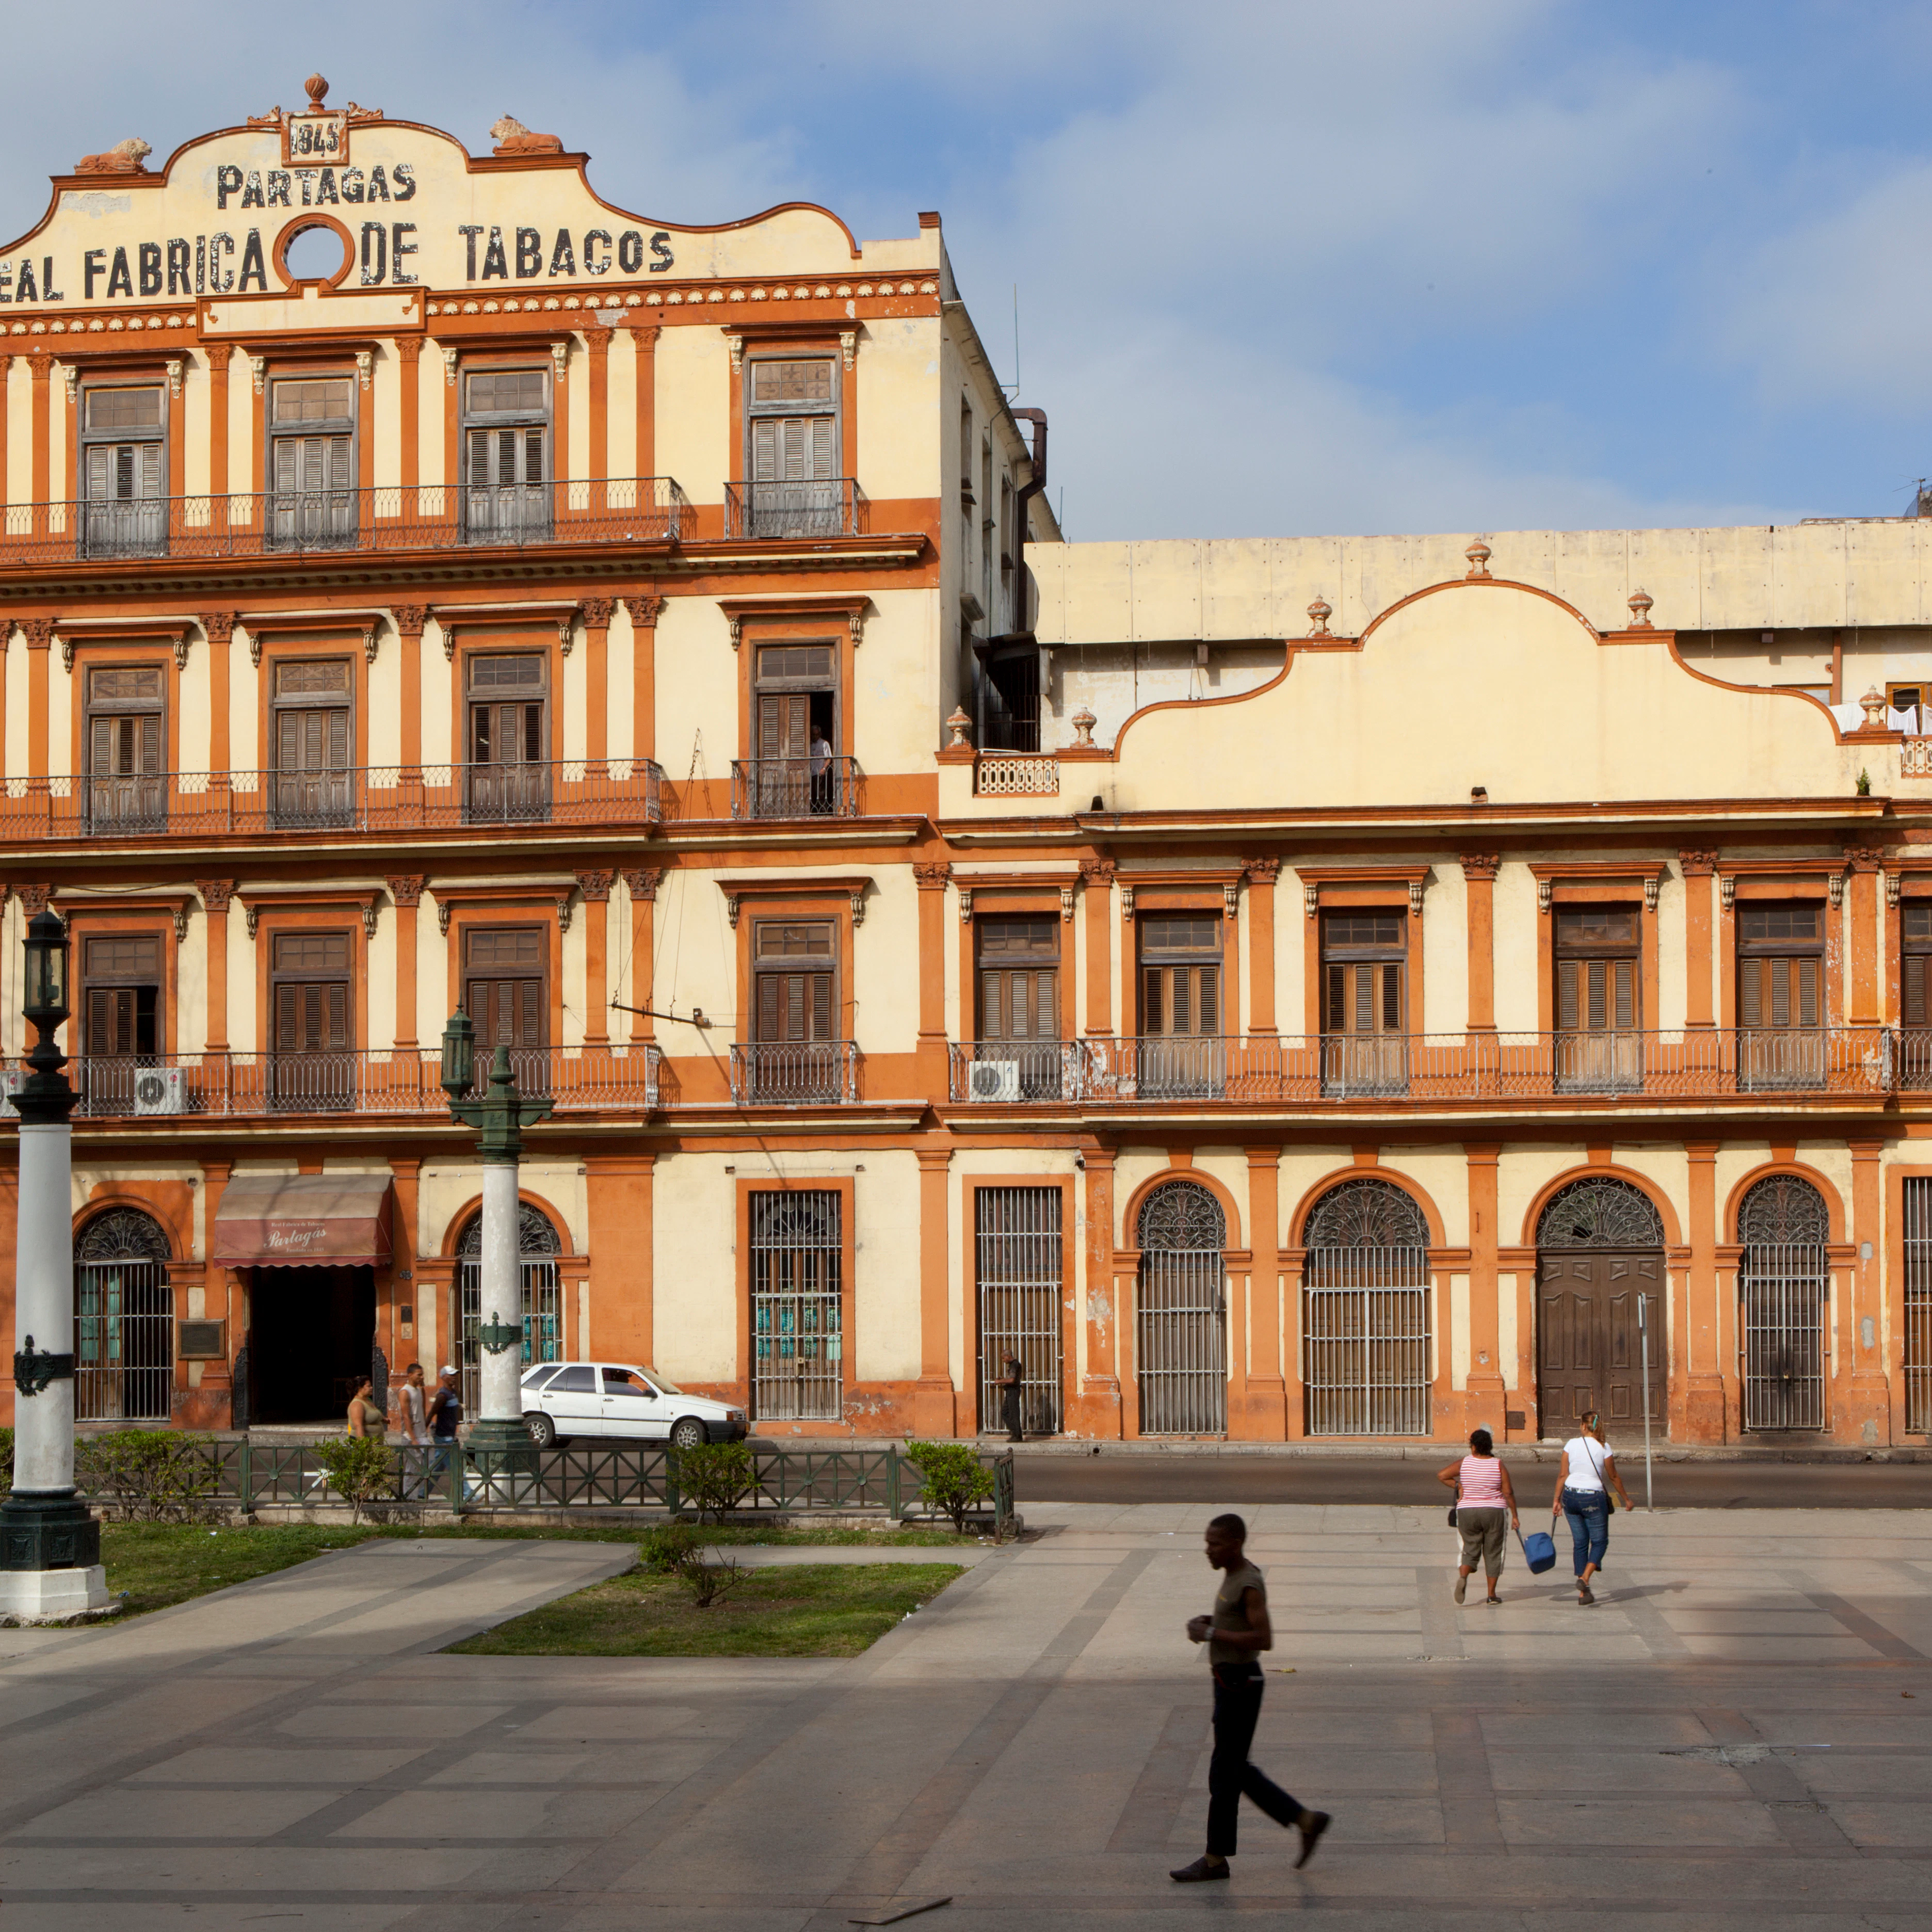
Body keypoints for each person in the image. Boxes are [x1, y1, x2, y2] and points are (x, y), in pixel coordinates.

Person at [1170, 1513, 1330, 1883]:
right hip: (1228, 1683)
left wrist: (1211, 1633)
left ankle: (1217, 1859)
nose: (1208, 1551)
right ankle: (1303, 1822)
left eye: (1215, 1544)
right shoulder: (1233, 1578)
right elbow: (1238, 1622)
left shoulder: (1249, 1582)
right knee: (1229, 1770)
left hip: (1241, 1686)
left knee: (1227, 1771)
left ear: (1236, 1545)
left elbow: (1264, 1639)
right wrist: (1213, 1623)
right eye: (1207, 1543)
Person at [1550, 1408, 1633, 1605]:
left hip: (1570, 1497)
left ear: (1583, 1426)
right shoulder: (1604, 1447)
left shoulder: (1571, 1444)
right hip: (1594, 1499)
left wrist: (1556, 1500)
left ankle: (1583, 1594)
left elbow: (1563, 1475)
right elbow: (1613, 1477)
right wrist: (1626, 1499)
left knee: (1580, 1543)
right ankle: (1585, 1578)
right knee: (1600, 1542)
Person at [1436, 1427, 1518, 1605]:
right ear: (1489, 1446)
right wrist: (1515, 1516)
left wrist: (1458, 1486)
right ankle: (1491, 1595)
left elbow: (1442, 1475)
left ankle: (1464, 1577)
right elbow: (1508, 1492)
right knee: (1494, 1552)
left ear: (1473, 1447)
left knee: (1469, 1548)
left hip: (1467, 1511)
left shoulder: (1464, 1463)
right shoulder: (1498, 1464)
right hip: (1494, 1512)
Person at [426, 1365, 462, 1491]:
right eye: (451, 1375)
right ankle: (469, 1494)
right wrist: (422, 1432)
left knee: (437, 1467)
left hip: (450, 1435)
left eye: (455, 1375)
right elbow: (432, 1413)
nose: (454, 1378)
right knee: (455, 1466)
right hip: (443, 1437)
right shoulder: (442, 1396)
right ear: (444, 1377)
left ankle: (422, 1493)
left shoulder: (453, 1393)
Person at [395, 1361, 428, 1498]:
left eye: (422, 1375)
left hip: (422, 1434)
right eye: (419, 1375)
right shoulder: (405, 1392)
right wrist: (413, 1438)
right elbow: (406, 1417)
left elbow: (423, 1409)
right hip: (410, 1436)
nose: (421, 1377)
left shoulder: (420, 1390)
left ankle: (420, 1494)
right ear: (410, 1375)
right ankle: (408, 1496)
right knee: (410, 1468)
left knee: (427, 1465)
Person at [345, 1377, 385, 1442]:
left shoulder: (368, 1401)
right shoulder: (357, 1404)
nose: (371, 1388)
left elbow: (374, 1413)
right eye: (368, 1386)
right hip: (366, 1444)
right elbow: (358, 1426)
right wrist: (363, 1446)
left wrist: (383, 1419)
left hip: (375, 1443)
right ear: (360, 1389)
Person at [997, 1351, 1025, 1442]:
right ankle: (1016, 1433)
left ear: (1009, 1356)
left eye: (1004, 1358)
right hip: (1011, 1392)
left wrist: (1000, 1382)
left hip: (1013, 1392)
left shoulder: (1014, 1365)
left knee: (1013, 1414)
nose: (1003, 1360)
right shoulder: (1014, 1365)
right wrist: (1003, 1379)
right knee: (1005, 1412)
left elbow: (1012, 1380)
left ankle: (1017, 1435)